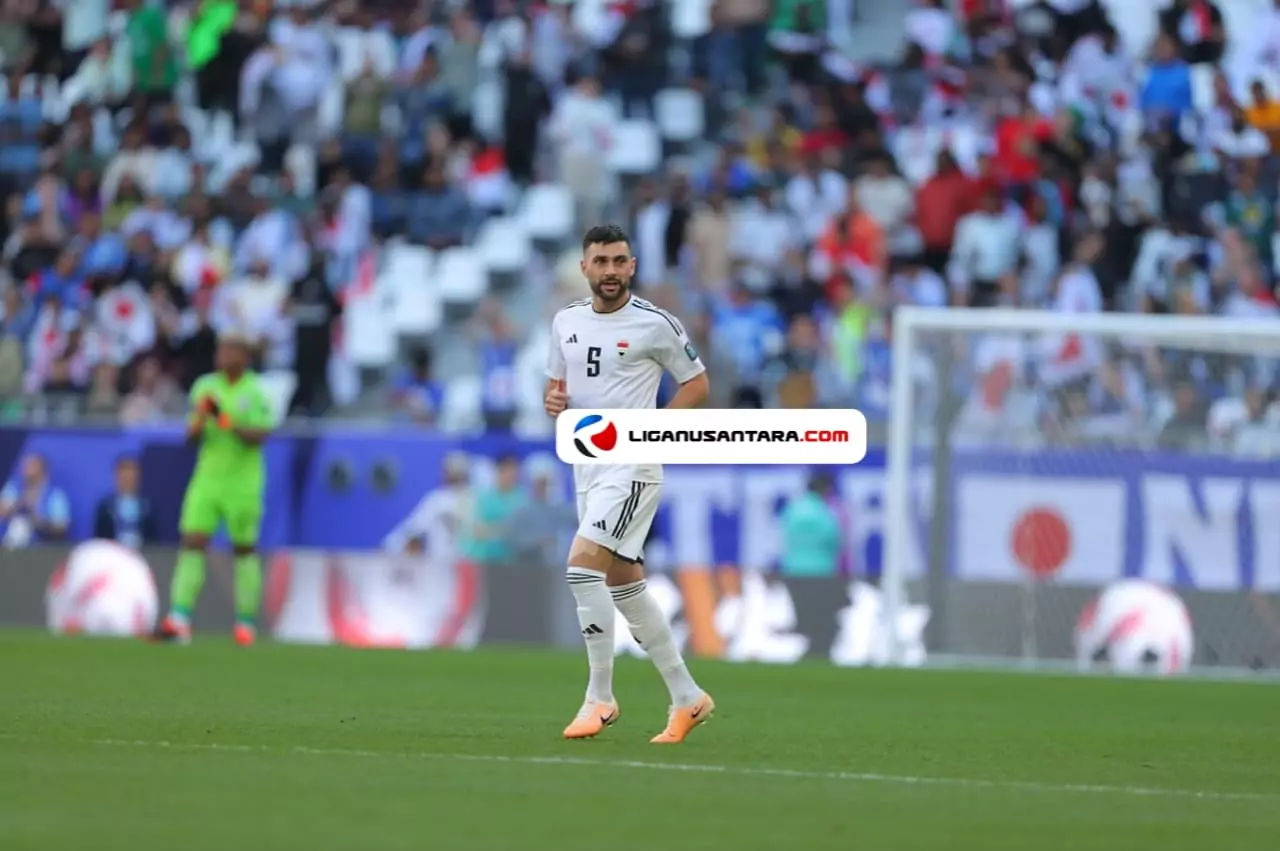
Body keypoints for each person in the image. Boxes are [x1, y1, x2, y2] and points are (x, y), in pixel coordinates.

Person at [544, 223, 713, 744]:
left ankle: (600, 697)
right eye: (601, 261)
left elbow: (697, 384)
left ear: (632, 266)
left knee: (581, 568)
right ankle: (687, 697)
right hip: (587, 468)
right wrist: (554, 403)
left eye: (620, 261)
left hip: (632, 466)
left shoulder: (655, 324)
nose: (611, 270)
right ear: (585, 268)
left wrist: (652, 431)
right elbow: (556, 391)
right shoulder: (566, 322)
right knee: (623, 584)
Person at [155, 330, 274, 646]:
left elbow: (260, 436)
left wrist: (225, 419)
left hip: (243, 481)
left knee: (244, 549)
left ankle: (245, 623)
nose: (223, 355)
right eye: (221, 349)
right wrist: (200, 420)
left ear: (245, 356)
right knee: (193, 541)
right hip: (207, 477)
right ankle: (179, 619)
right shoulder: (205, 387)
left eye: (231, 350)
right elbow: (191, 437)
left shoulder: (257, 391)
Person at [93, 456, 157, 550]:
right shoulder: (105, 507)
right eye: (124, 476)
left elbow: (154, 541)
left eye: (131, 476)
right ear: (116, 477)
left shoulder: (149, 507)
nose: (127, 480)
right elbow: (99, 541)